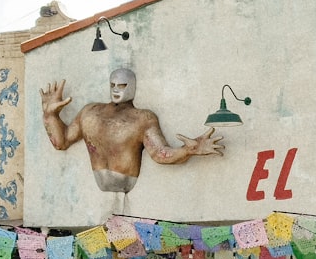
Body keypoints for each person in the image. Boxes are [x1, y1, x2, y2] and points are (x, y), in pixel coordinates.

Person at [40, 68, 224, 193]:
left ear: (133, 87)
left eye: (122, 85)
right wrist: (50, 115)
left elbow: (160, 153)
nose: (116, 90)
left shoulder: (142, 118)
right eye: (113, 85)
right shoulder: (90, 112)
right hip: (100, 193)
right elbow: (62, 141)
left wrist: (189, 149)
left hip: (127, 188)